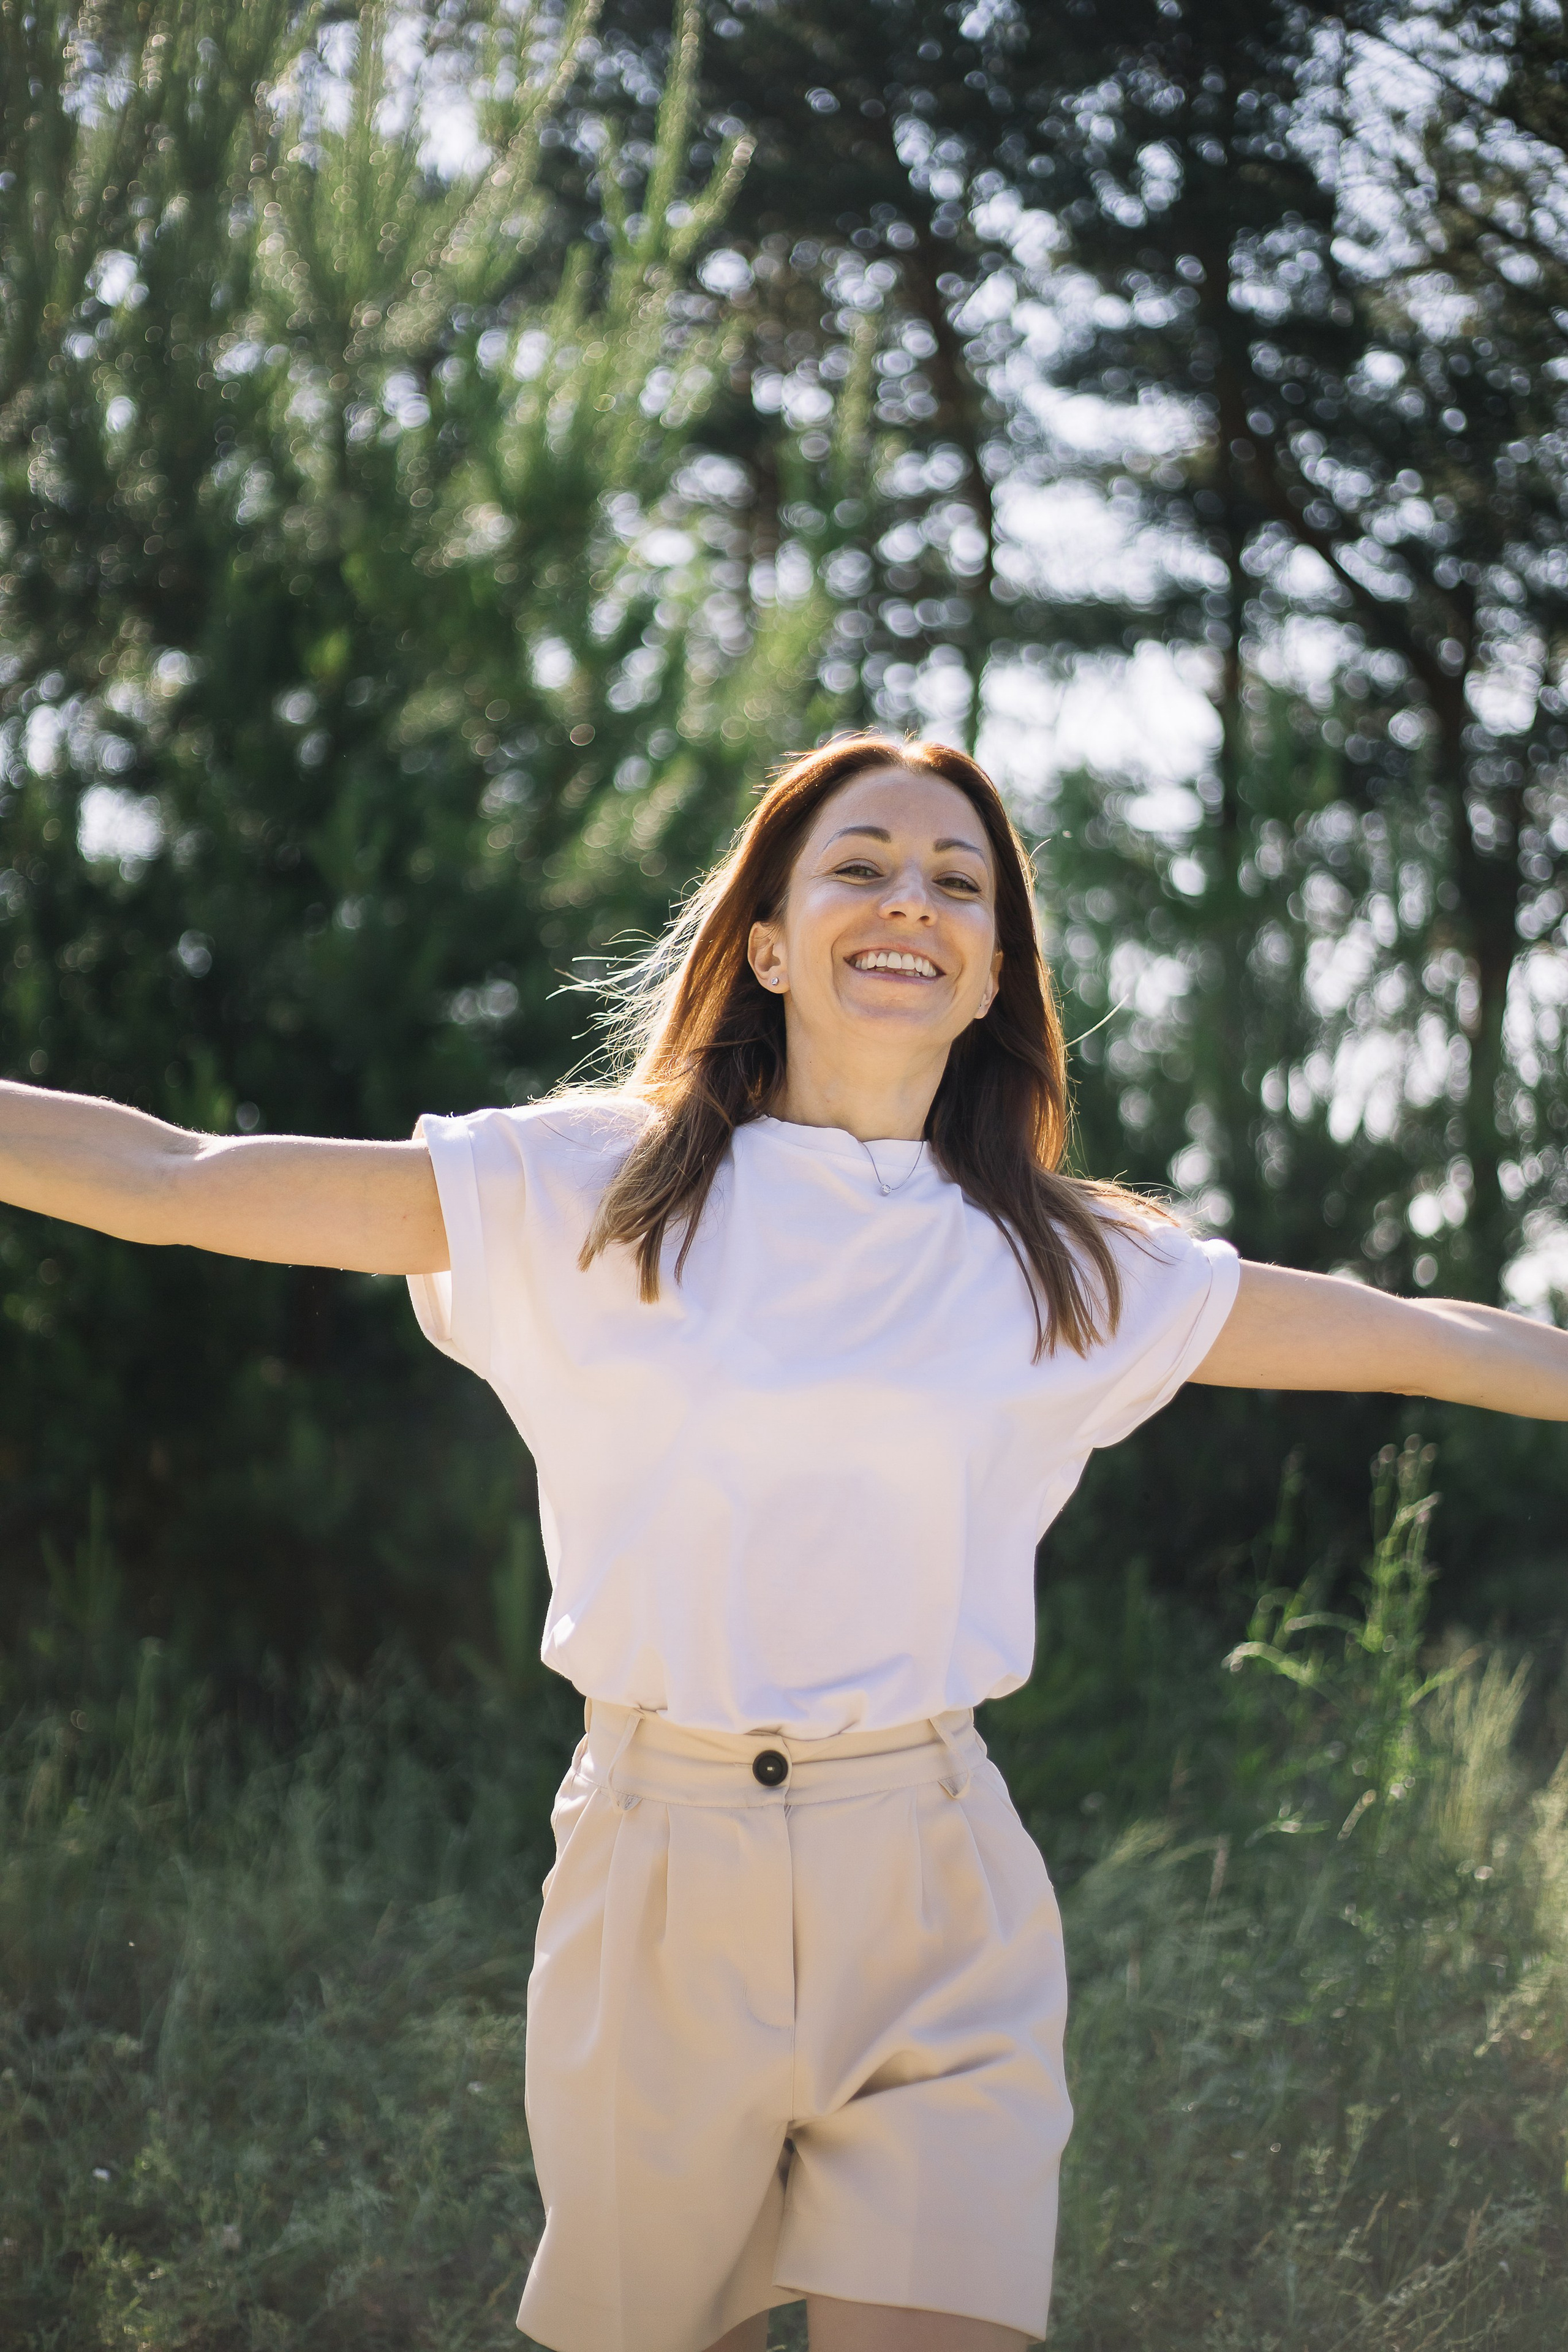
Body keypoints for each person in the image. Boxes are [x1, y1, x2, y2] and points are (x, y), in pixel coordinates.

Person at [2, 731, 1566, 2352]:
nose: (913, 901)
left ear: (991, 978)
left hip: (936, 1882)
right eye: (864, 865)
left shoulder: (1066, 1267)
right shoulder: (589, 1193)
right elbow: (177, 1176)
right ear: (766, 943)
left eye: (960, 883)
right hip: (658, 1875)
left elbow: (1414, 1336)